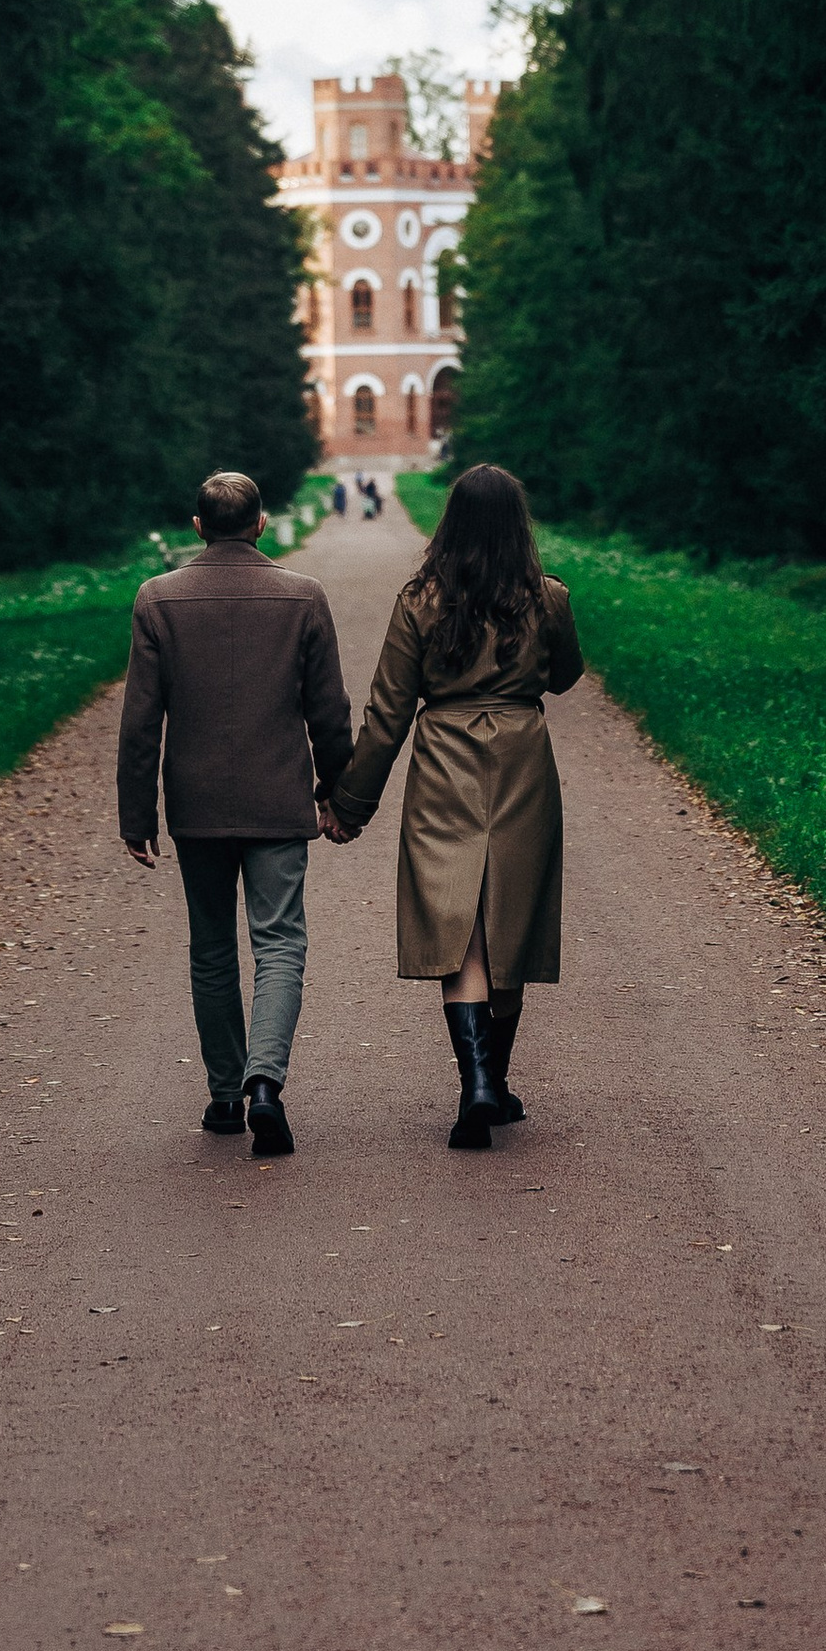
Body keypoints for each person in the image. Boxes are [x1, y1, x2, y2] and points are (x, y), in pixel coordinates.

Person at [320, 460, 582, 1149]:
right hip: (523, 758)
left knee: (457, 919)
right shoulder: (547, 597)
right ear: (517, 525)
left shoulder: (420, 601)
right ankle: (494, 1078)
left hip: (444, 759)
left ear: (451, 522)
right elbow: (567, 676)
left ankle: (477, 1084)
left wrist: (350, 803)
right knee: (511, 918)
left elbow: (387, 712)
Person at [118, 470, 352, 1157]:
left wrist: (137, 815)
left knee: (213, 945)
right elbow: (329, 711)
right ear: (260, 523)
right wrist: (337, 791)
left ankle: (224, 1093)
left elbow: (140, 722)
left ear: (197, 527)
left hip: (197, 806)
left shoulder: (158, 599)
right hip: (279, 800)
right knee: (279, 940)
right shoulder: (302, 597)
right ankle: (265, 1086)